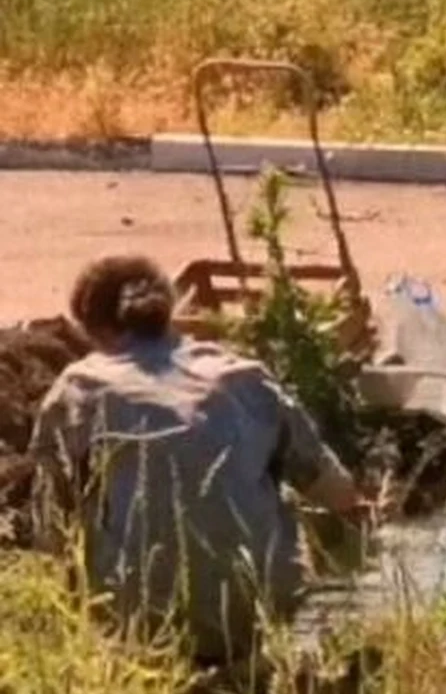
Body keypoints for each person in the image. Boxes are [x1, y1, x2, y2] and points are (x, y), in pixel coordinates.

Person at [27, 254, 371, 664]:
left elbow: (48, 526)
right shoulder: (243, 375)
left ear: (93, 327)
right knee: (309, 501)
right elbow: (338, 492)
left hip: (136, 612)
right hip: (255, 603)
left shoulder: (80, 386)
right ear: (169, 312)